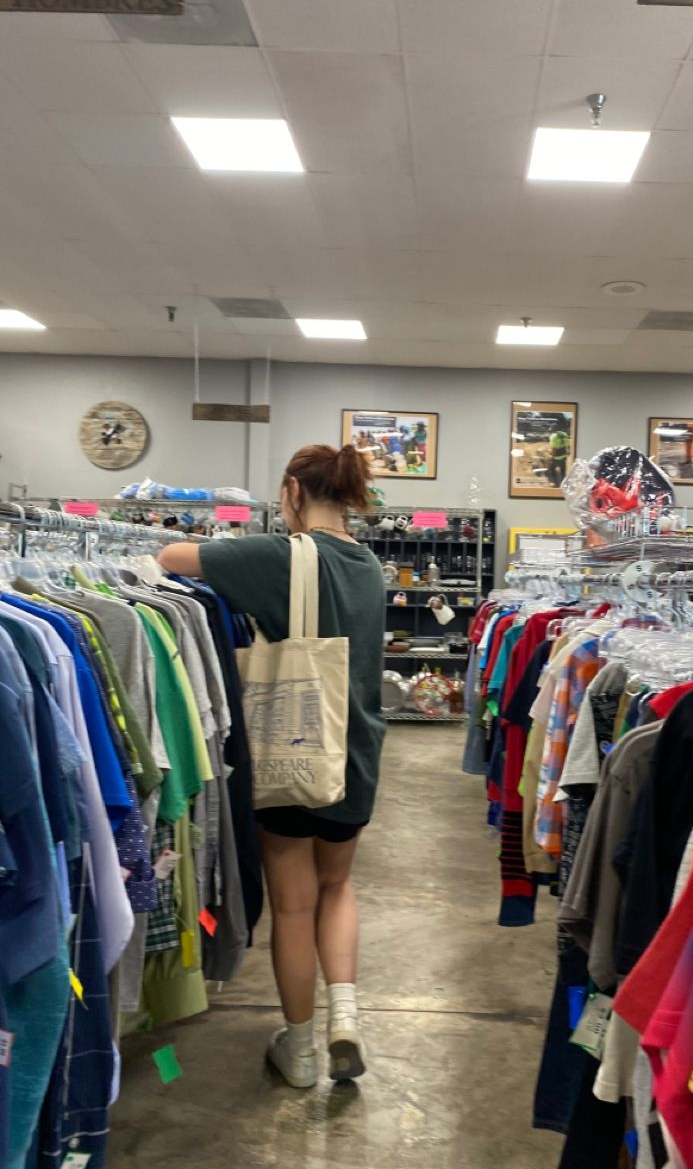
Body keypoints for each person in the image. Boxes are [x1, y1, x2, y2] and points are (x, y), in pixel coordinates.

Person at [157, 444, 386, 1089]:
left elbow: (170, 558)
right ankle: (346, 1014)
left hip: (292, 747)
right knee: (337, 886)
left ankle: (301, 1045)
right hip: (357, 751)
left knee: (293, 903)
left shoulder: (278, 555)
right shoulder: (369, 566)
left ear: (291, 491)